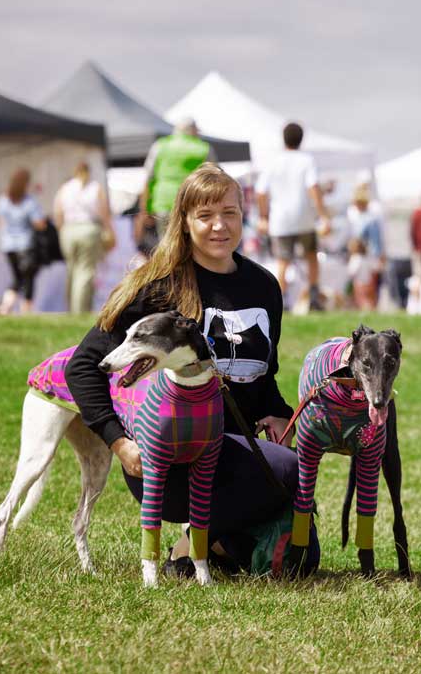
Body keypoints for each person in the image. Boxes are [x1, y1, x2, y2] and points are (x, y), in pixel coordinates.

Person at [66, 163, 319, 575]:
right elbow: (82, 368)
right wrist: (119, 443)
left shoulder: (264, 286)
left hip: (234, 455)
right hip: (168, 460)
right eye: (205, 216)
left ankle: (217, 543)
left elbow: (262, 375)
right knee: (287, 470)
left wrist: (276, 411)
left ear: (244, 214)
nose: (220, 226)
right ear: (184, 222)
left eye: (230, 213)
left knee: (300, 562)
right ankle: (186, 547)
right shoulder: (157, 286)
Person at [255, 122, 331, 307]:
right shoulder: (306, 160)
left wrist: (264, 217)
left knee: (283, 262)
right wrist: (323, 216)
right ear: (301, 139)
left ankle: (279, 302)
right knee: (312, 258)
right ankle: (313, 298)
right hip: (304, 218)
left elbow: (261, 191)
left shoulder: (273, 161)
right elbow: (313, 187)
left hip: (280, 220)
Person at [136, 117, 215, 254]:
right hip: (193, 204)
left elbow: (148, 179)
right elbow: (215, 180)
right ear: (193, 131)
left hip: (163, 204)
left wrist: (144, 210)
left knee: (166, 246)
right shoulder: (203, 148)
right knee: (192, 247)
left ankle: (169, 273)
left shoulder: (160, 146)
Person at [53, 161, 115, 313]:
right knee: (85, 272)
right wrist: (110, 231)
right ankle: (79, 310)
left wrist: (62, 231)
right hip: (89, 229)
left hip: (68, 230)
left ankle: (71, 308)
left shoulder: (65, 188)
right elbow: (104, 213)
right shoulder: (95, 187)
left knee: (72, 269)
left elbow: (57, 212)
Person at [0, 168, 47, 315]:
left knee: (17, 279)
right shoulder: (28, 201)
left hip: (8, 245)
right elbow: (39, 223)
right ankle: (26, 310)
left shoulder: (3, 200)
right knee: (28, 279)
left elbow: (0, 222)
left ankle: (5, 307)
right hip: (25, 245)